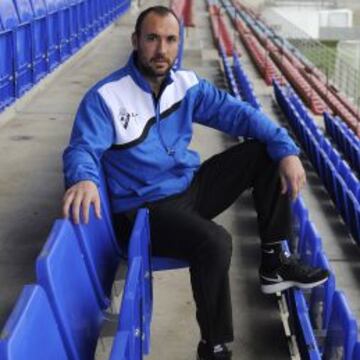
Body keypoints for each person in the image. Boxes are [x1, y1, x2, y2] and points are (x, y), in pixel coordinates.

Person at [62, 6, 328, 360]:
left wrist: (286, 149)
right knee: (215, 242)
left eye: (171, 40)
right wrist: (84, 179)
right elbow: (82, 148)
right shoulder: (106, 97)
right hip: (144, 210)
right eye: (153, 38)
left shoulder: (186, 85)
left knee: (264, 153)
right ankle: (215, 347)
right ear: (136, 41)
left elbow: (239, 113)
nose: (162, 49)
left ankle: (274, 260)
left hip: (188, 189)